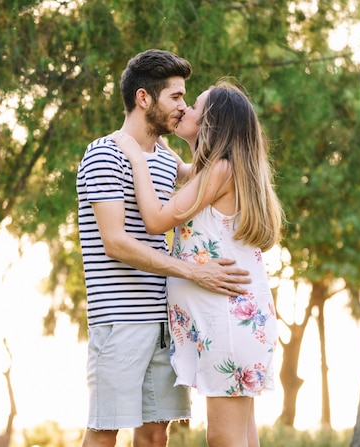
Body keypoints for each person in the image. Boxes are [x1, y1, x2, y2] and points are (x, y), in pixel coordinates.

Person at [77, 50, 252, 447]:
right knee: (105, 432)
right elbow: (116, 242)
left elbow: (213, 180)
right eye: (175, 97)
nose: (183, 107)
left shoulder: (166, 161)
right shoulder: (105, 153)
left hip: (163, 322)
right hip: (120, 319)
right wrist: (193, 271)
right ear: (144, 99)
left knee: (156, 435)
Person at [113, 79, 284, 447]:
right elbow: (191, 174)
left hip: (227, 321)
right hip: (230, 321)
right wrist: (171, 157)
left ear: (211, 125)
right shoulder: (218, 171)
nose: (184, 109)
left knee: (223, 438)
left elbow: (156, 220)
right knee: (242, 438)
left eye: (194, 107)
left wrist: (136, 157)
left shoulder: (220, 171)